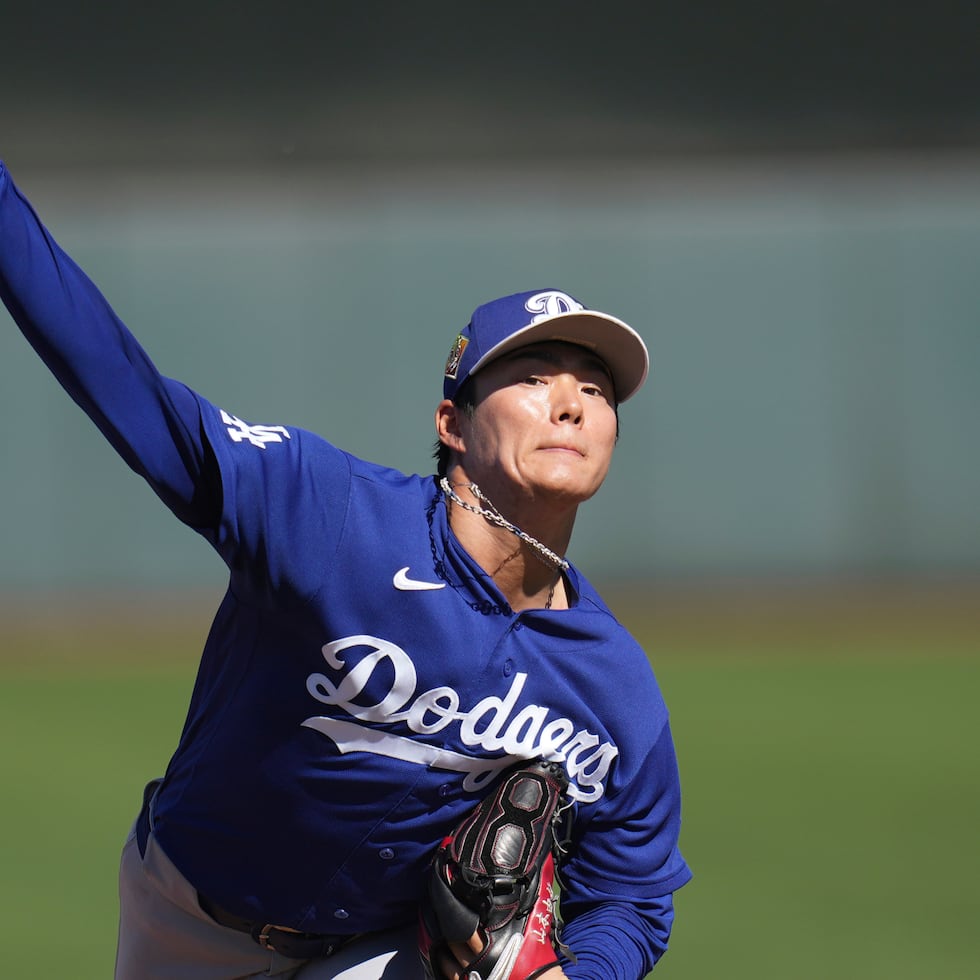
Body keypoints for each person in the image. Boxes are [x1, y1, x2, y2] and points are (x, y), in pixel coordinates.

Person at [0, 159, 692, 980]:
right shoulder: (329, 515)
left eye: (596, 389)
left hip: (382, 954)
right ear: (454, 425)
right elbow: (136, 399)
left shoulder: (612, 686)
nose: (572, 403)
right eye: (533, 379)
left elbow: (632, 896)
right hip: (187, 917)